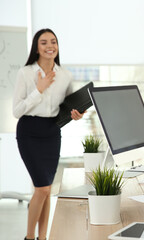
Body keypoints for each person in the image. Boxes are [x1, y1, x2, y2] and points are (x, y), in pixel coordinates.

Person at [13, 28, 84, 240]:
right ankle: (28, 237)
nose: (50, 46)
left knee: (46, 189)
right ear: (36, 47)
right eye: (44, 42)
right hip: (29, 132)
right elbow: (16, 111)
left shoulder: (65, 75)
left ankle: (42, 237)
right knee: (42, 189)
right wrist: (39, 89)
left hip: (52, 133)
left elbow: (69, 107)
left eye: (53, 41)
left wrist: (76, 113)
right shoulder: (25, 73)